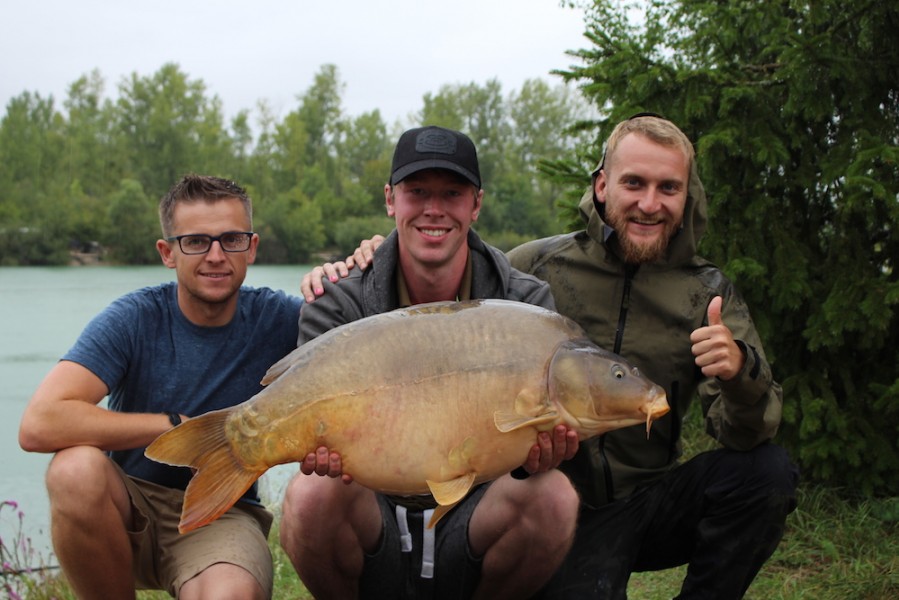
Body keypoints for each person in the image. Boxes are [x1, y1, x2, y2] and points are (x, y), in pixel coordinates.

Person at [304, 115, 799, 599]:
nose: (650, 203)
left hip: (649, 499)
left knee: (767, 472)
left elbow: (747, 431)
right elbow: (447, 265)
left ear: (685, 196)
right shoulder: (536, 269)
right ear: (603, 186)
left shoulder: (707, 293)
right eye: (634, 183)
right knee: (554, 505)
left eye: (668, 188)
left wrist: (739, 374)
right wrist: (369, 254)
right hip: (568, 503)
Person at [279, 125, 580, 600]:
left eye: (452, 194)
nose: (434, 210)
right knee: (309, 495)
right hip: (370, 509)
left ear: (475, 204)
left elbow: (531, 445)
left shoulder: (527, 307)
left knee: (556, 498)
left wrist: (535, 461)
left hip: (478, 510)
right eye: (417, 192)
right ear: (390, 200)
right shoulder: (336, 300)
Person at [18, 175, 302, 599]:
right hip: (125, 507)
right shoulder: (133, 318)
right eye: (196, 242)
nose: (216, 256)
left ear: (253, 247)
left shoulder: (280, 317)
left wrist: (367, 257)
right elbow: (39, 423)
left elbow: (369, 326)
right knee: (74, 470)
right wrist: (172, 425)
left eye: (232, 239)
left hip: (222, 513)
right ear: (167, 253)